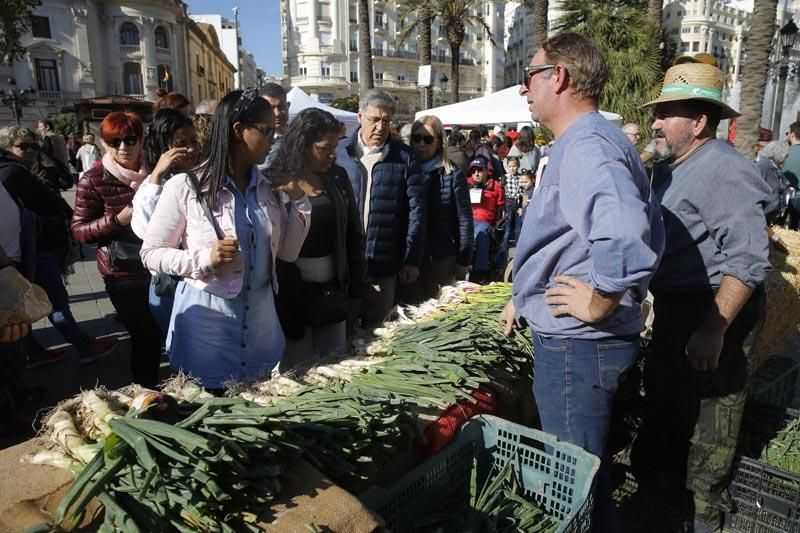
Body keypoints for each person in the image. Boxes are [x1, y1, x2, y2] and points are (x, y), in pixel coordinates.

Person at [499, 33, 664, 533]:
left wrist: (598, 300)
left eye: (527, 77)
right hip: (581, 344)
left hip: (579, 345)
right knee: (589, 475)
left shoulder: (587, 146)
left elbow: (626, 235)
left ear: (559, 77)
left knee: (574, 483)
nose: (524, 91)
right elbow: (574, 237)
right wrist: (524, 296)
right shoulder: (586, 140)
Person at [632, 61, 772, 533]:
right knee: (668, 411)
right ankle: (663, 506)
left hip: (714, 311)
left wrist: (714, 329)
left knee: (712, 424)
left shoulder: (726, 170)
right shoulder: (671, 168)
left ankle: (703, 517)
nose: (655, 121)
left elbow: (749, 258)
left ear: (699, 122)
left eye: (667, 113)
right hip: (677, 309)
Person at [140, 88, 310, 391]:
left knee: (255, 412)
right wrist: (204, 258)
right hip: (208, 331)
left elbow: (287, 254)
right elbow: (151, 253)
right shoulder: (186, 186)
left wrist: (300, 204)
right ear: (237, 131)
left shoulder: (269, 187)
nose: (273, 138)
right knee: (213, 414)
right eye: (267, 130)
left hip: (261, 327)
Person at [0, 126, 118, 367]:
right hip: (35, 247)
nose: (31, 151)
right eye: (23, 146)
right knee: (54, 299)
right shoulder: (11, 171)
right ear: (7, 147)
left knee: (28, 304)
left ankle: (33, 352)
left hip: (33, 246)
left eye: (34, 146)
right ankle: (83, 345)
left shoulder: (19, 169)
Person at [71, 111, 163, 388]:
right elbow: (79, 230)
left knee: (166, 330)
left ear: (141, 139)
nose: (123, 147)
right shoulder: (93, 178)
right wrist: (117, 220)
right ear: (104, 143)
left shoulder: (158, 170)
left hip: (161, 264)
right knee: (144, 336)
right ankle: (147, 394)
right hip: (123, 273)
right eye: (114, 142)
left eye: (130, 139)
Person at [268, 108, 364, 370]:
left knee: (335, 365)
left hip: (332, 289)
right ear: (303, 144)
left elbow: (353, 231)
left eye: (335, 146)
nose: (333, 154)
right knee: (297, 370)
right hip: (291, 294)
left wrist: (356, 283)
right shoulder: (274, 180)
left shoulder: (337, 176)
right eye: (325, 148)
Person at [337, 88, 425, 329]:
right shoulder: (339, 154)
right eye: (374, 119)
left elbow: (416, 212)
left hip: (385, 263)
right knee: (344, 332)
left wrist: (411, 259)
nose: (380, 127)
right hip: (345, 264)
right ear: (359, 117)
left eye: (386, 121)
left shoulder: (404, 158)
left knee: (379, 332)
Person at [131, 108, 200, 334]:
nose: (190, 149)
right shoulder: (149, 189)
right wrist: (157, 177)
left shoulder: (201, 178)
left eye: (193, 140)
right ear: (164, 148)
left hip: (200, 282)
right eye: (181, 143)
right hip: (170, 287)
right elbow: (147, 232)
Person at [401, 115, 473, 303]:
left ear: (439, 142)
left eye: (428, 139)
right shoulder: (405, 170)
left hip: (441, 255)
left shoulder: (452, 173)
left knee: (437, 311)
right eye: (416, 138)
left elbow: (464, 219)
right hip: (408, 254)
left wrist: (464, 259)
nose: (421, 144)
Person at [467, 155, 505, 284]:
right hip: (467, 221)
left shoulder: (496, 187)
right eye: (473, 171)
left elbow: (501, 209)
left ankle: (479, 272)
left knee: (481, 233)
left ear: (486, 171)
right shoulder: (466, 184)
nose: (476, 174)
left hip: (485, 223)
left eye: (479, 170)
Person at [756, 140, 790, 224]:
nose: (785, 158)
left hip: (770, 213)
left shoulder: (773, 166)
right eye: (785, 156)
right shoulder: (764, 166)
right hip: (764, 214)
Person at [258, 83, 290, 169]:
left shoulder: (299, 137)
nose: (277, 113)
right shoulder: (253, 142)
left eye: (281, 107)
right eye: (270, 108)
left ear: (288, 106)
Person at [781, 121, 800, 229]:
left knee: (778, 228)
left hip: (785, 196)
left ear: (792, 134)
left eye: (787, 133)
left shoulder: (784, 153)